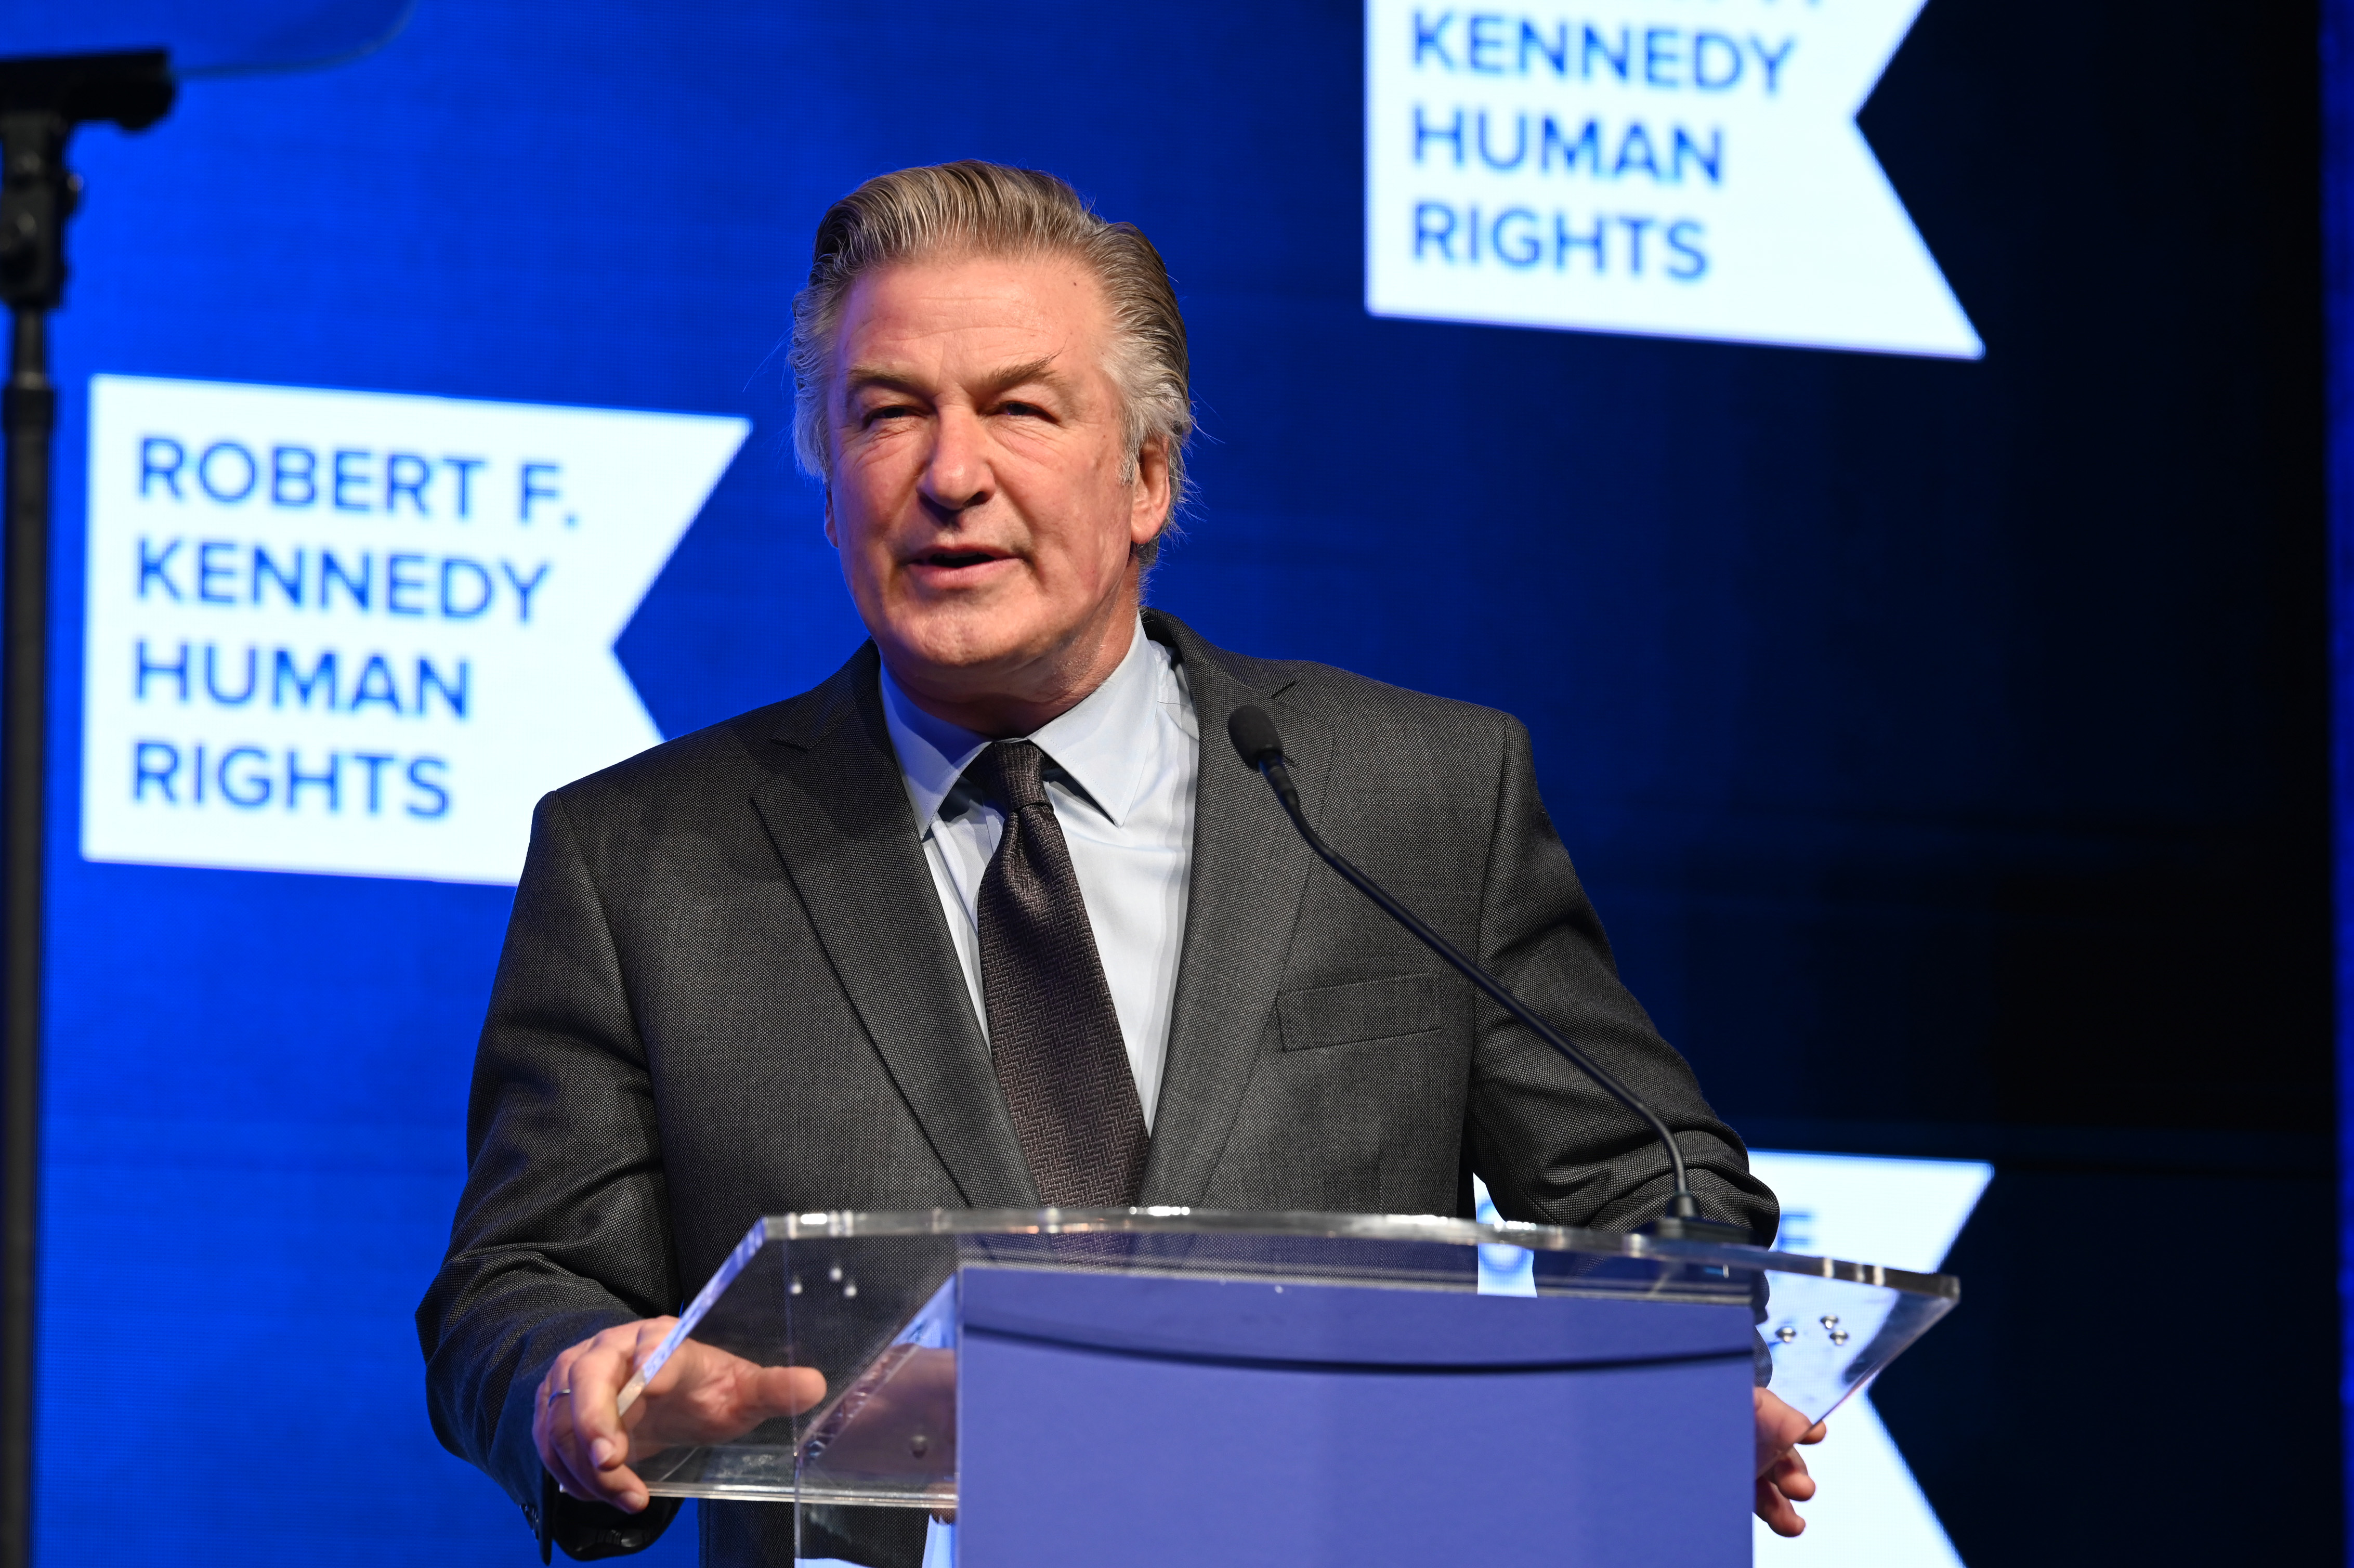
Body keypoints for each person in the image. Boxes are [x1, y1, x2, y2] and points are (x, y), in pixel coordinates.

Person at [418, 161, 1823, 1566]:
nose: (950, 474)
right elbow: (518, 1281)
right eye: (888, 414)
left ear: (1149, 476)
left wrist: (1665, 1363)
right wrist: (574, 1391)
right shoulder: (642, 858)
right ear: (831, 485)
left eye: (1020, 409)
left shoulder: (1412, 799)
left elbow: (1647, 1171)